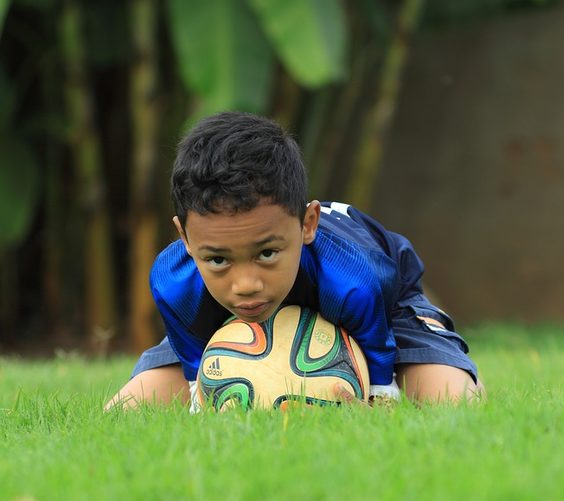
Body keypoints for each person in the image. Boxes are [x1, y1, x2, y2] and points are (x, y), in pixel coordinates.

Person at [105, 111, 482, 410]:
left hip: (385, 310)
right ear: (185, 238)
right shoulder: (174, 281)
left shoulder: (355, 279)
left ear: (308, 224)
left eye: (267, 253)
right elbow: (194, 374)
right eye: (218, 260)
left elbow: (381, 378)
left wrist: (381, 394)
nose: (246, 284)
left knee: (455, 400)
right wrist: (200, 397)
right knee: (125, 412)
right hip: (232, 317)